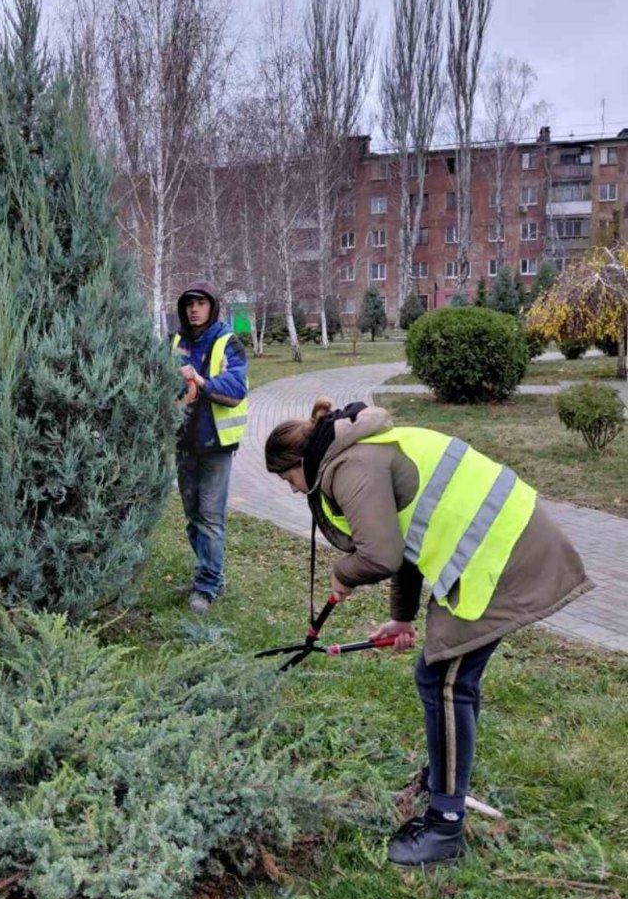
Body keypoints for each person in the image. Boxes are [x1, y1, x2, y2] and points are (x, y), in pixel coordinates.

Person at [264, 398, 591, 867]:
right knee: (448, 679)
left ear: (299, 464)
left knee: (443, 681)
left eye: (288, 480)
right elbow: (408, 543)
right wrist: (402, 618)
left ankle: (445, 825)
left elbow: (380, 555)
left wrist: (343, 574)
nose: (294, 491)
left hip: (500, 555)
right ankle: (445, 779)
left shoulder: (349, 468)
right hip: (493, 546)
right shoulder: (361, 451)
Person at [172, 283, 249, 614]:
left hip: (216, 445)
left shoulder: (228, 342)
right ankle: (211, 576)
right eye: (189, 304)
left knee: (210, 519)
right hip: (184, 442)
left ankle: (206, 586)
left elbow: (236, 388)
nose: (194, 309)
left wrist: (201, 382)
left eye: (200, 303)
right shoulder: (176, 342)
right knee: (192, 518)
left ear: (212, 307)